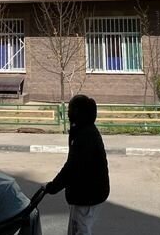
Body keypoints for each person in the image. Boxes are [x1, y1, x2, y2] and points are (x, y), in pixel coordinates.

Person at [46, 95, 109, 235]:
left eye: (70, 109)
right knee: (77, 229)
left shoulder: (85, 136)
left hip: (87, 195)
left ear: (78, 112)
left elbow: (72, 167)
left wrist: (53, 186)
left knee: (81, 230)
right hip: (86, 193)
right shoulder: (82, 130)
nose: (68, 112)